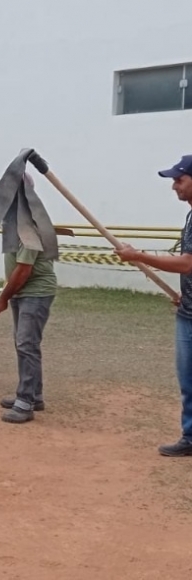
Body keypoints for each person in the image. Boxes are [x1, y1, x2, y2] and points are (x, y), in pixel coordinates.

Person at [114, 154, 192, 457]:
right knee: (188, 382)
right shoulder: (190, 216)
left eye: (179, 179)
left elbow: (188, 263)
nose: (174, 186)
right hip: (187, 313)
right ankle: (190, 437)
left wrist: (140, 257)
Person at [0, 208, 58, 424]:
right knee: (25, 344)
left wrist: (3, 298)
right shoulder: (13, 223)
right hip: (22, 292)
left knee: (26, 344)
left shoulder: (29, 227)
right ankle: (33, 395)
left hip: (35, 292)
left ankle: (25, 401)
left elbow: (23, 270)